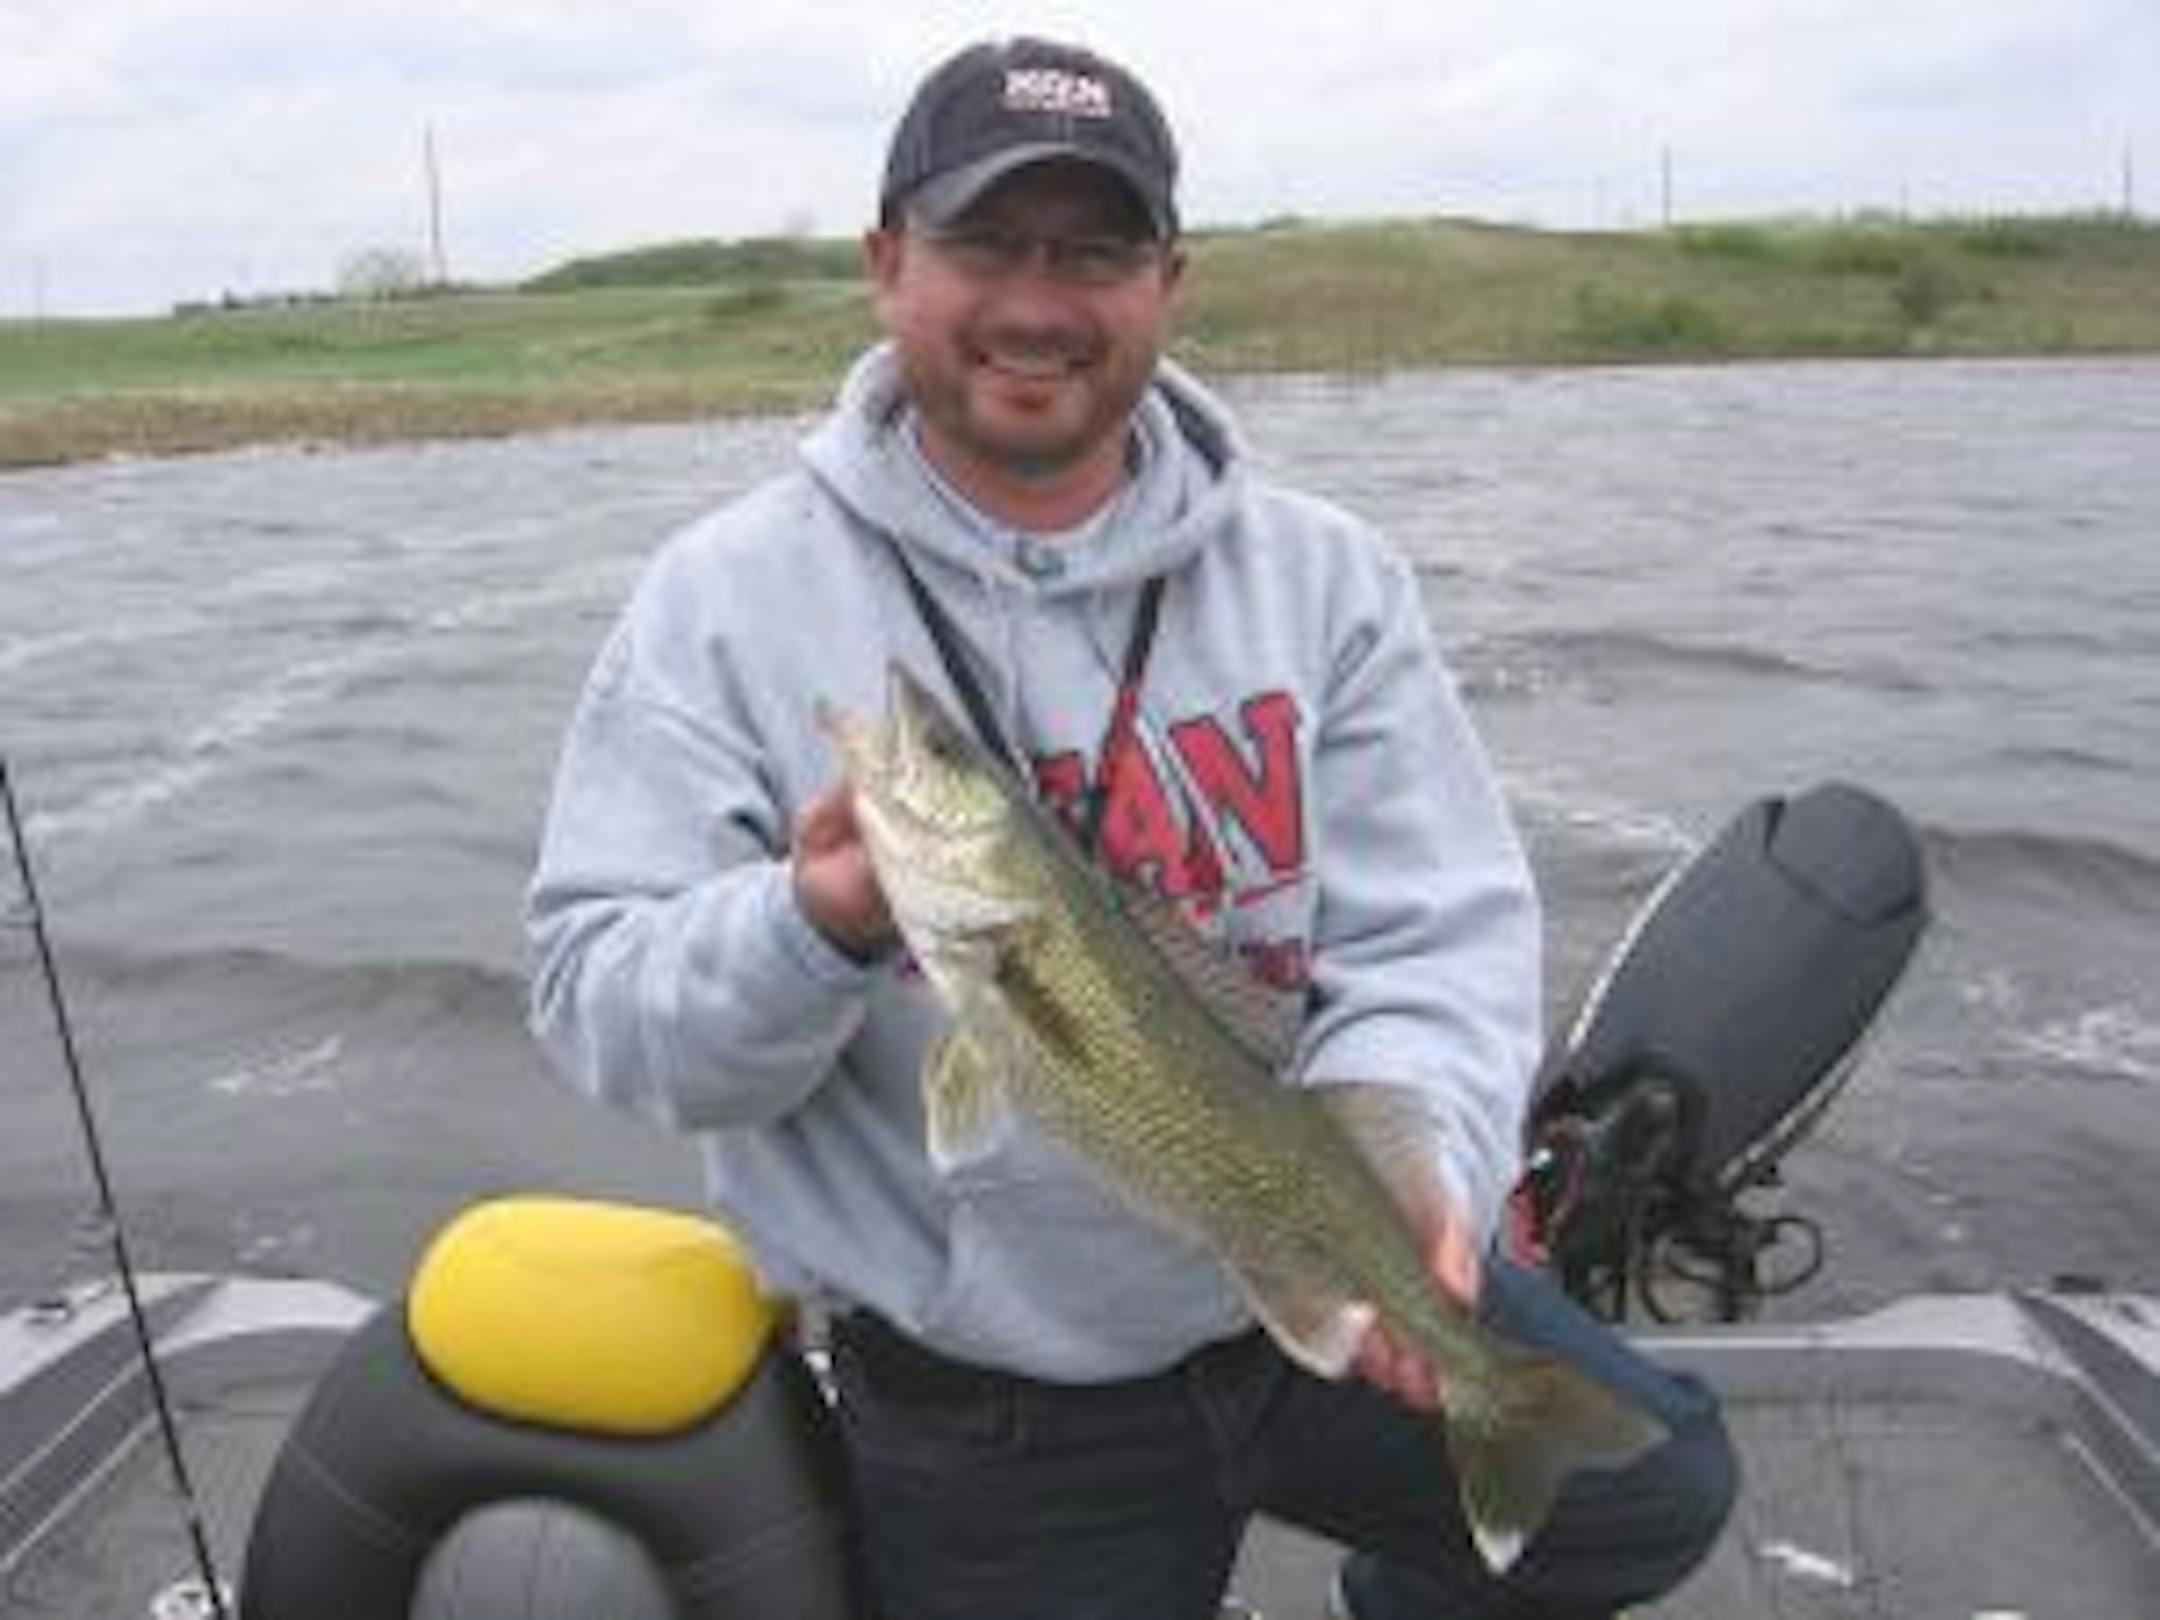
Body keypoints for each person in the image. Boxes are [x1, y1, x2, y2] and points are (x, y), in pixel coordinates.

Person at [527, 34, 1735, 1620]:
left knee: (1655, 1488)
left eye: (1094, 251)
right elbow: (601, 1013)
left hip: (1309, 1280)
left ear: (1168, 280)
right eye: (983, 242)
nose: (1038, 302)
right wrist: (811, 927)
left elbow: (1433, 935)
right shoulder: (725, 599)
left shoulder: (1326, 580)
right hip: (993, 1405)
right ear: (888, 265)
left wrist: (1426, 1174)